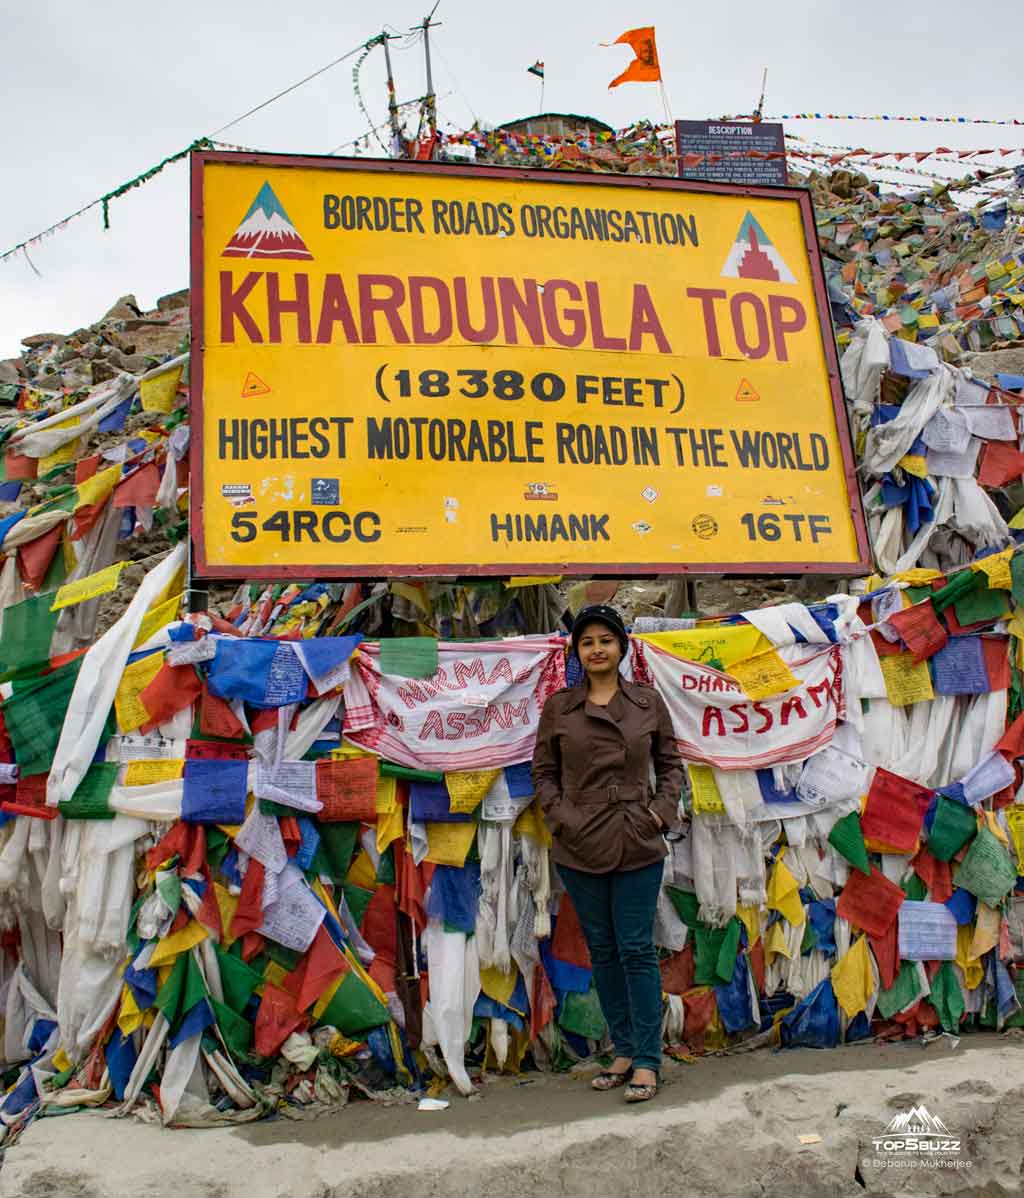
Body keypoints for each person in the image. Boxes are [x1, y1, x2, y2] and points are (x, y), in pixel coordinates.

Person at [532, 604, 685, 1103]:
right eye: (587, 642)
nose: (597, 649)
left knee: (636, 948)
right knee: (602, 950)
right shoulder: (559, 707)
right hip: (580, 841)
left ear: (622, 647)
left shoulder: (647, 702)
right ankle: (622, 1048)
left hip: (638, 837)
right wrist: (562, 819)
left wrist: (659, 813)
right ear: (577, 652)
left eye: (606, 640)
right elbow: (543, 773)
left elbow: (671, 765)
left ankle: (647, 1059)